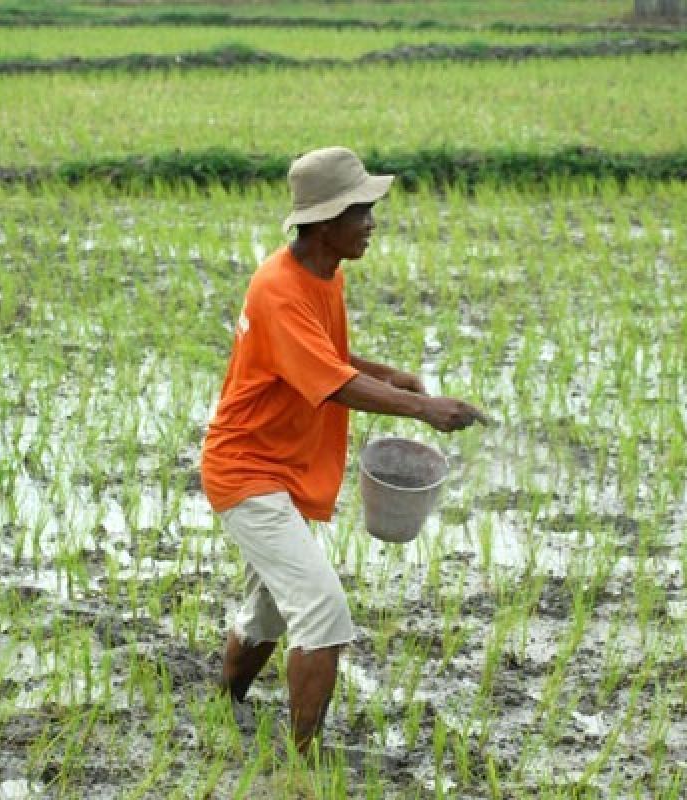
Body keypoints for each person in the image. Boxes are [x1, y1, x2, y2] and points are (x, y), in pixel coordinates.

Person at [200, 145, 487, 757]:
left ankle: (223, 706)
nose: (372, 223)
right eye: (362, 211)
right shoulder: (278, 287)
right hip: (247, 470)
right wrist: (425, 408)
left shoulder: (324, 275)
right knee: (322, 611)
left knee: (272, 608)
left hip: (282, 467)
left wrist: (394, 376)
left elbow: (327, 357)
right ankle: (304, 759)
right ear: (326, 221)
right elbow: (332, 382)